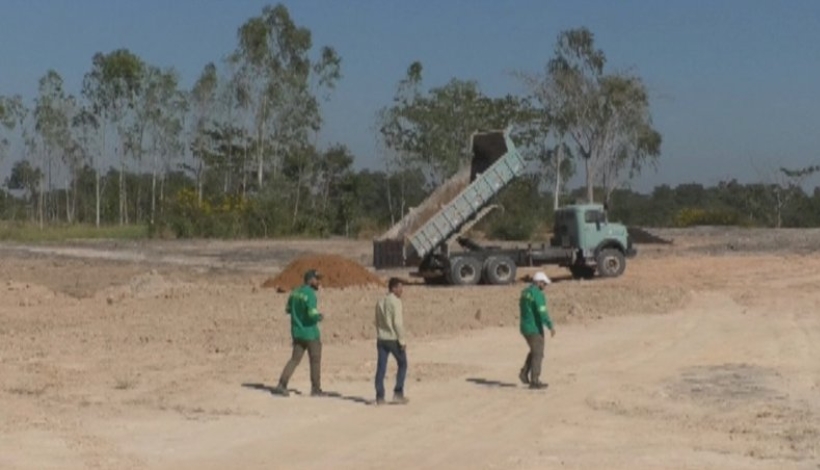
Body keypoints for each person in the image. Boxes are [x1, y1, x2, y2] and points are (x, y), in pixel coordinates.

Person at [273, 269, 326, 397]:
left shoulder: (295, 293)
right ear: (310, 280)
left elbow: (287, 309)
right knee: (315, 360)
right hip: (311, 334)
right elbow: (311, 314)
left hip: (297, 332)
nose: (318, 282)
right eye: (317, 279)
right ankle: (315, 389)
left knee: (294, 360)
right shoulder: (311, 295)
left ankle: (281, 384)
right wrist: (319, 317)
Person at [374, 277, 408, 405]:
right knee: (403, 364)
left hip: (381, 338)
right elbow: (398, 323)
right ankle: (398, 393)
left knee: (381, 368)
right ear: (393, 288)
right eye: (399, 287)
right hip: (393, 339)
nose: (401, 290)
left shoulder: (380, 301)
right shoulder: (396, 302)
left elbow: (376, 320)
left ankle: (379, 396)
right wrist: (402, 341)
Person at [518, 271, 555, 390]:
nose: (545, 286)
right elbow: (542, 312)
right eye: (544, 284)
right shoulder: (537, 294)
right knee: (538, 353)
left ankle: (524, 373)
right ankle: (535, 380)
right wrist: (550, 326)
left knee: (534, 351)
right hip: (534, 328)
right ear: (539, 282)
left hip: (524, 327)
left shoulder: (525, 292)